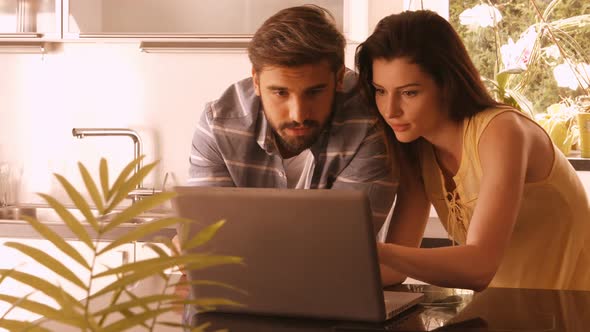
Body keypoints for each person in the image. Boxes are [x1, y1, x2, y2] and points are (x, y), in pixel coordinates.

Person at [355, 10, 590, 291]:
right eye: (381, 91)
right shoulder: (417, 150)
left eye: (409, 92)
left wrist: (373, 249)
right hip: (503, 314)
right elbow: (391, 271)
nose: (390, 110)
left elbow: (479, 267)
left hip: (572, 310)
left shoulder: (502, 131)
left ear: (447, 84)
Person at [188, 5, 397, 232]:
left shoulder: (368, 125)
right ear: (256, 82)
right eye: (280, 93)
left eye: (314, 92)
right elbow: (209, 242)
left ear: (338, 79)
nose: (298, 115)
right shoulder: (218, 125)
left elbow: (342, 244)